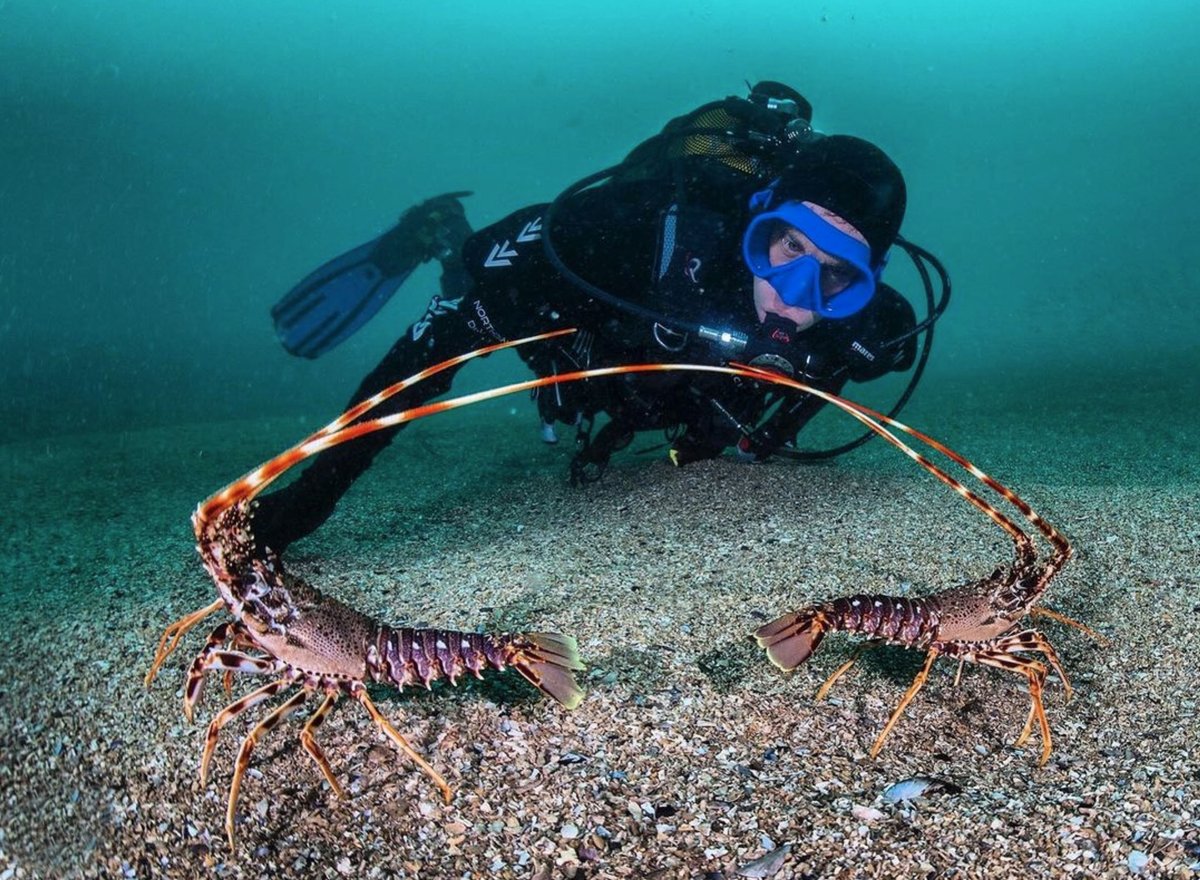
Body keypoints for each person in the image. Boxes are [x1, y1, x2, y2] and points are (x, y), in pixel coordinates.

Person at [257, 82, 943, 554]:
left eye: (835, 277)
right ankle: (437, 231)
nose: (795, 295)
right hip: (582, 340)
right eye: (786, 247)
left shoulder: (870, 334)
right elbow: (432, 352)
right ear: (756, 220)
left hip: (664, 397)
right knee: (480, 292)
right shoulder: (624, 236)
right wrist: (313, 495)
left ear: (868, 284)